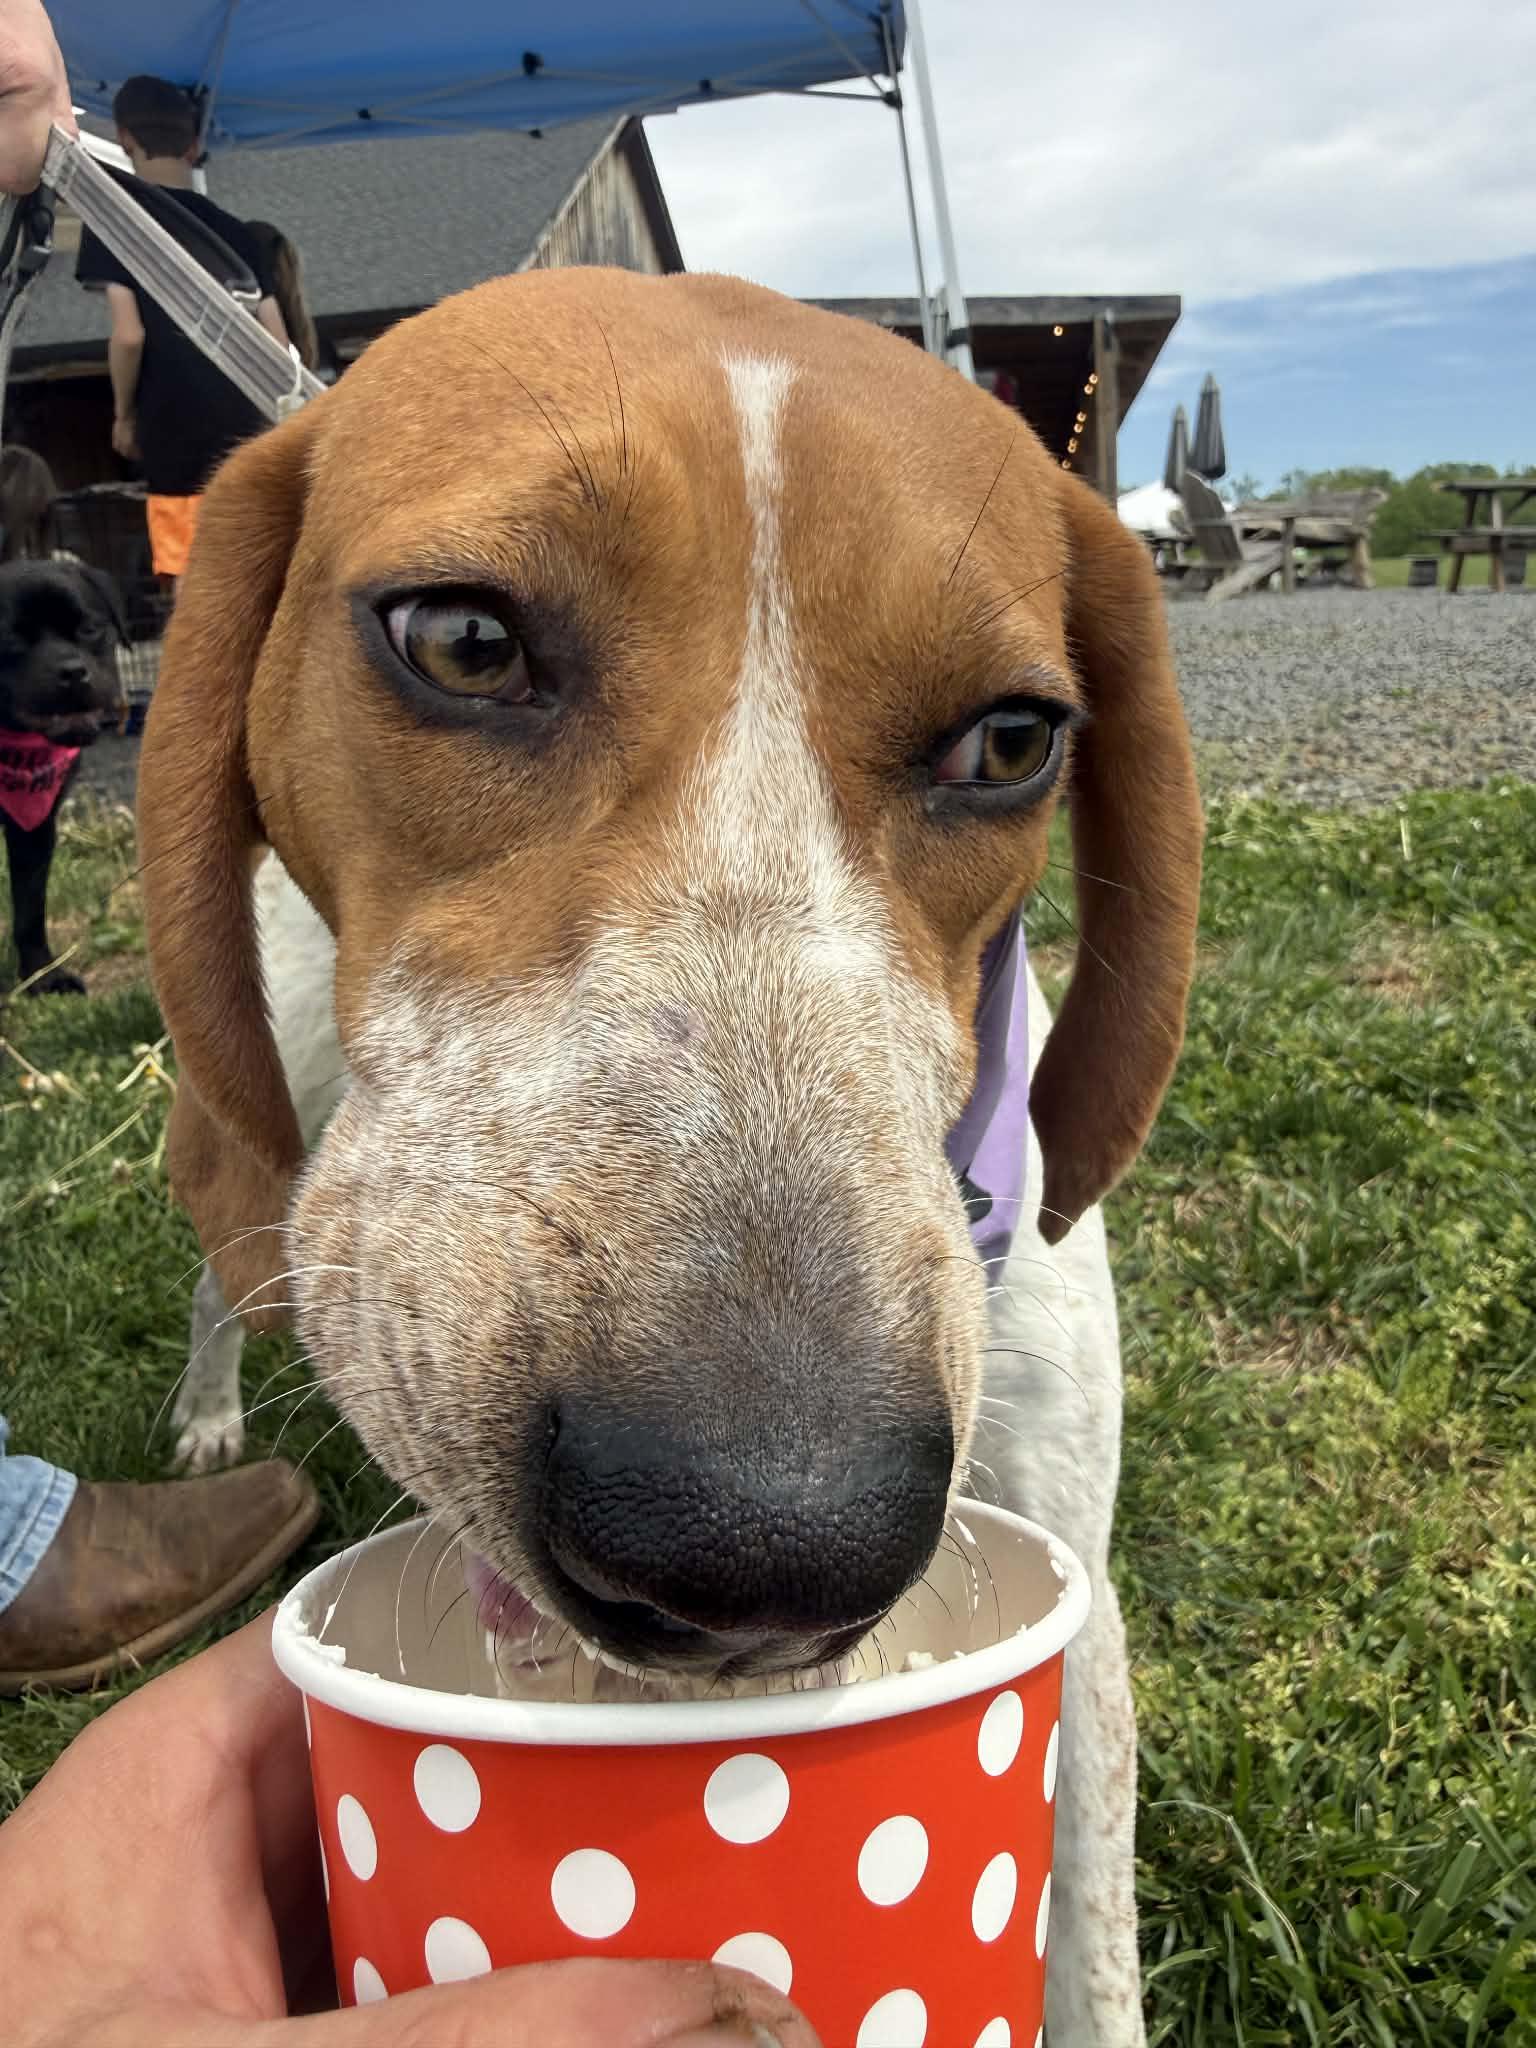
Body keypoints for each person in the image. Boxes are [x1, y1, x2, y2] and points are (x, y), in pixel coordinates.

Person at [0, 15, 814, 2044]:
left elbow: (112, 380)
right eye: (475, 641)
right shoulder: (237, 248)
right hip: (247, 516)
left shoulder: (146, 257)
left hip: (216, 499)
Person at [74, 74, 290, 582]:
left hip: (174, 437)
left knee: (193, 586)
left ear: (125, 138)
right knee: (257, 579)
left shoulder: (117, 226)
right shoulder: (237, 232)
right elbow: (277, 343)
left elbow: (130, 335)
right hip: (248, 438)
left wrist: (125, 418)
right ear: (194, 145)